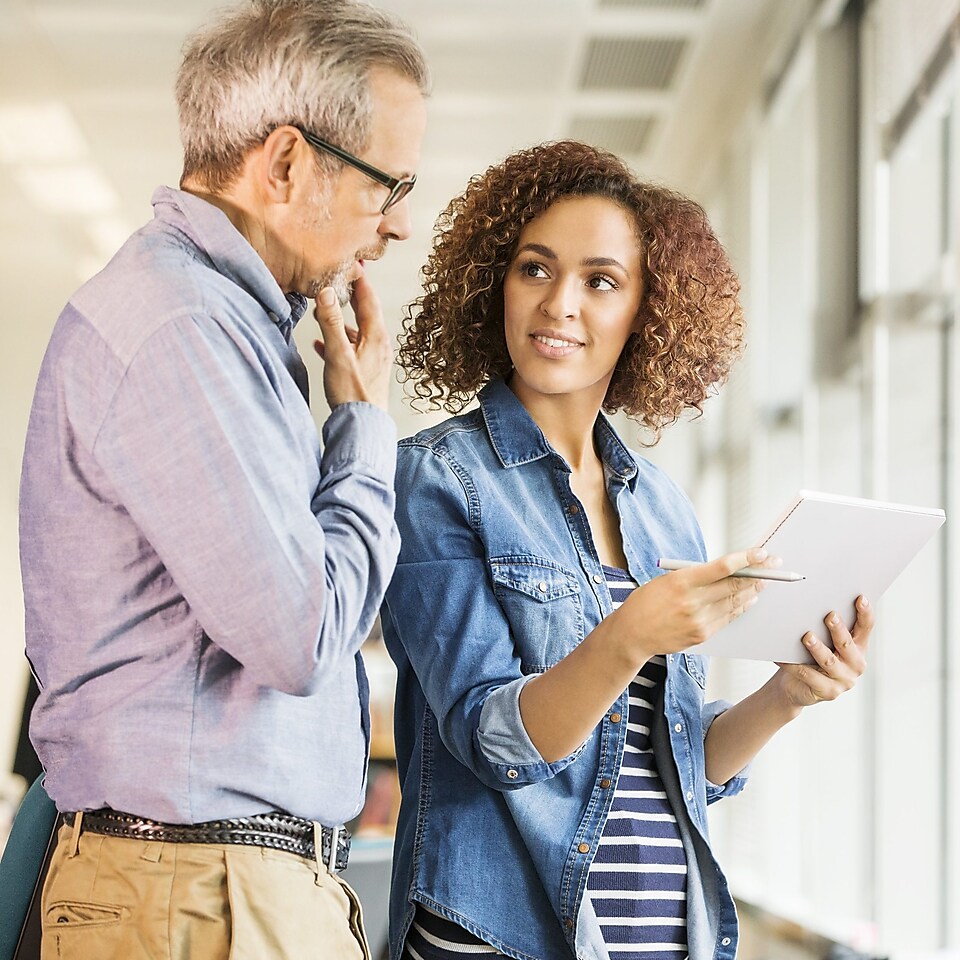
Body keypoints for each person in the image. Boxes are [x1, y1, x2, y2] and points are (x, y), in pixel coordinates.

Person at [380, 140, 872, 960]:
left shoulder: (664, 509)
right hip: (501, 936)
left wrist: (786, 697)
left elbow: (674, 761)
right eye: (534, 269)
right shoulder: (434, 480)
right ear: (494, 283)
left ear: (646, 311)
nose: (558, 303)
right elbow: (494, 742)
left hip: (660, 934)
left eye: (600, 281)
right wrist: (629, 634)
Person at [18, 1, 428, 957]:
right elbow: (301, 636)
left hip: (213, 888)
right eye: (388, 184)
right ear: (285, 163)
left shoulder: (228, 332)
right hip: (197, 895)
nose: (399, 223)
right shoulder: (181, 330)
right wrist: (363, 424)